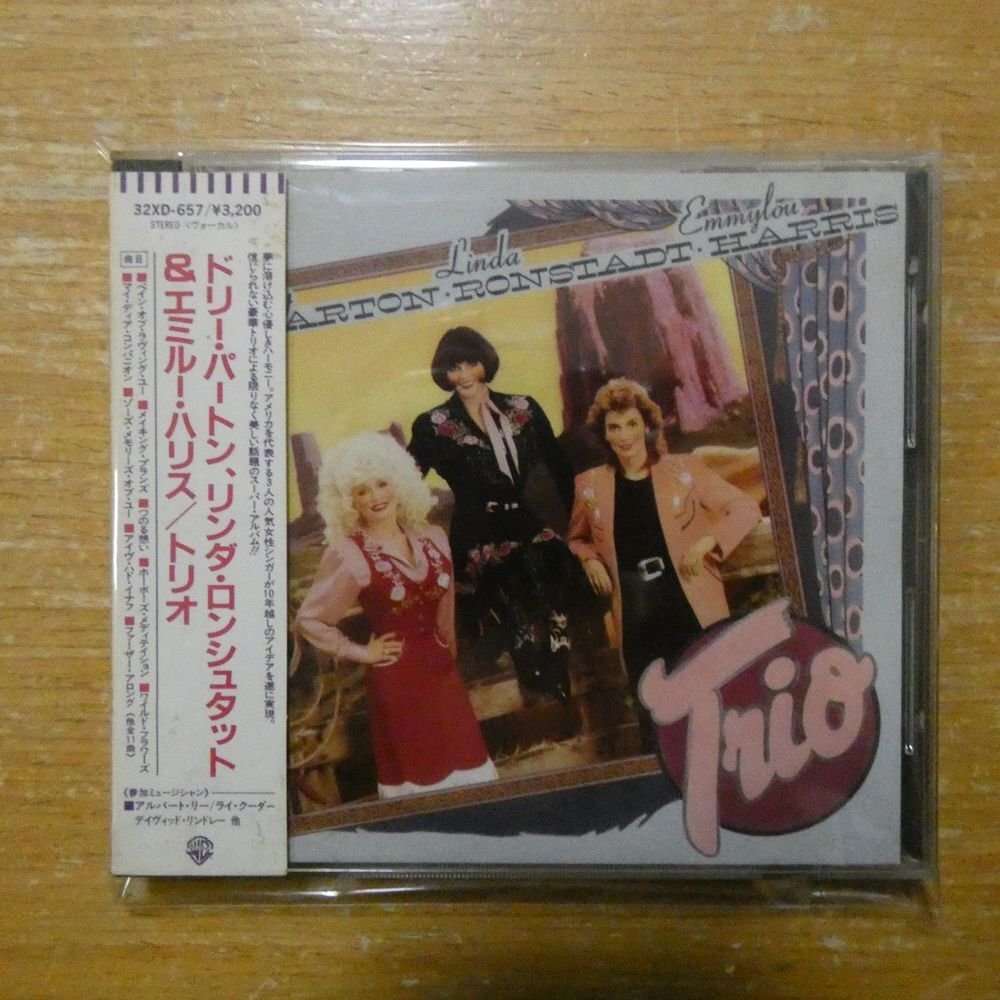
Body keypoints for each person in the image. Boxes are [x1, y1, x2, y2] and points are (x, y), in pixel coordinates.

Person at [296, 431, 497, 799]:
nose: (375, 497)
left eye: (382, 483)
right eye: (362, 490)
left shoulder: (433, 537)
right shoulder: (348, 553)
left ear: (399, 483)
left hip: (443, 674)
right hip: (397, 682)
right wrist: (361, 652)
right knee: (421, 784)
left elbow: (445, 610)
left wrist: (447, 654)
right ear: (349, 501)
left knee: (470, 774)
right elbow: (310, 619)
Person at [568, 378, 762, 751]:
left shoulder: (685, 470)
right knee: (654, 713)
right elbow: (577, 538)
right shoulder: (589, 486)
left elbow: (744, 508)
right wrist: (589, 559)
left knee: (709, 701)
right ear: (604, 434)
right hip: (636, 610)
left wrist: (708, 542)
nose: (624, 435)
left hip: (687, 597)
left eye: (632, 424)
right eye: (614, 427)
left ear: (647, 425)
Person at [408, 326, 587, 703]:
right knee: (504, 570)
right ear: (443, 373)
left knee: (554, 560)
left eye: (471, 363)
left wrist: (571, 521)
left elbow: (560, 467)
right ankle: (526, 656)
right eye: (453, 368)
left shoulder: (523, 408)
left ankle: (557, 652)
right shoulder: (433, 425)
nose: (464, 375)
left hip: (522, 518)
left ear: (485, 362)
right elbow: (407, 478)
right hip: (474, 527)